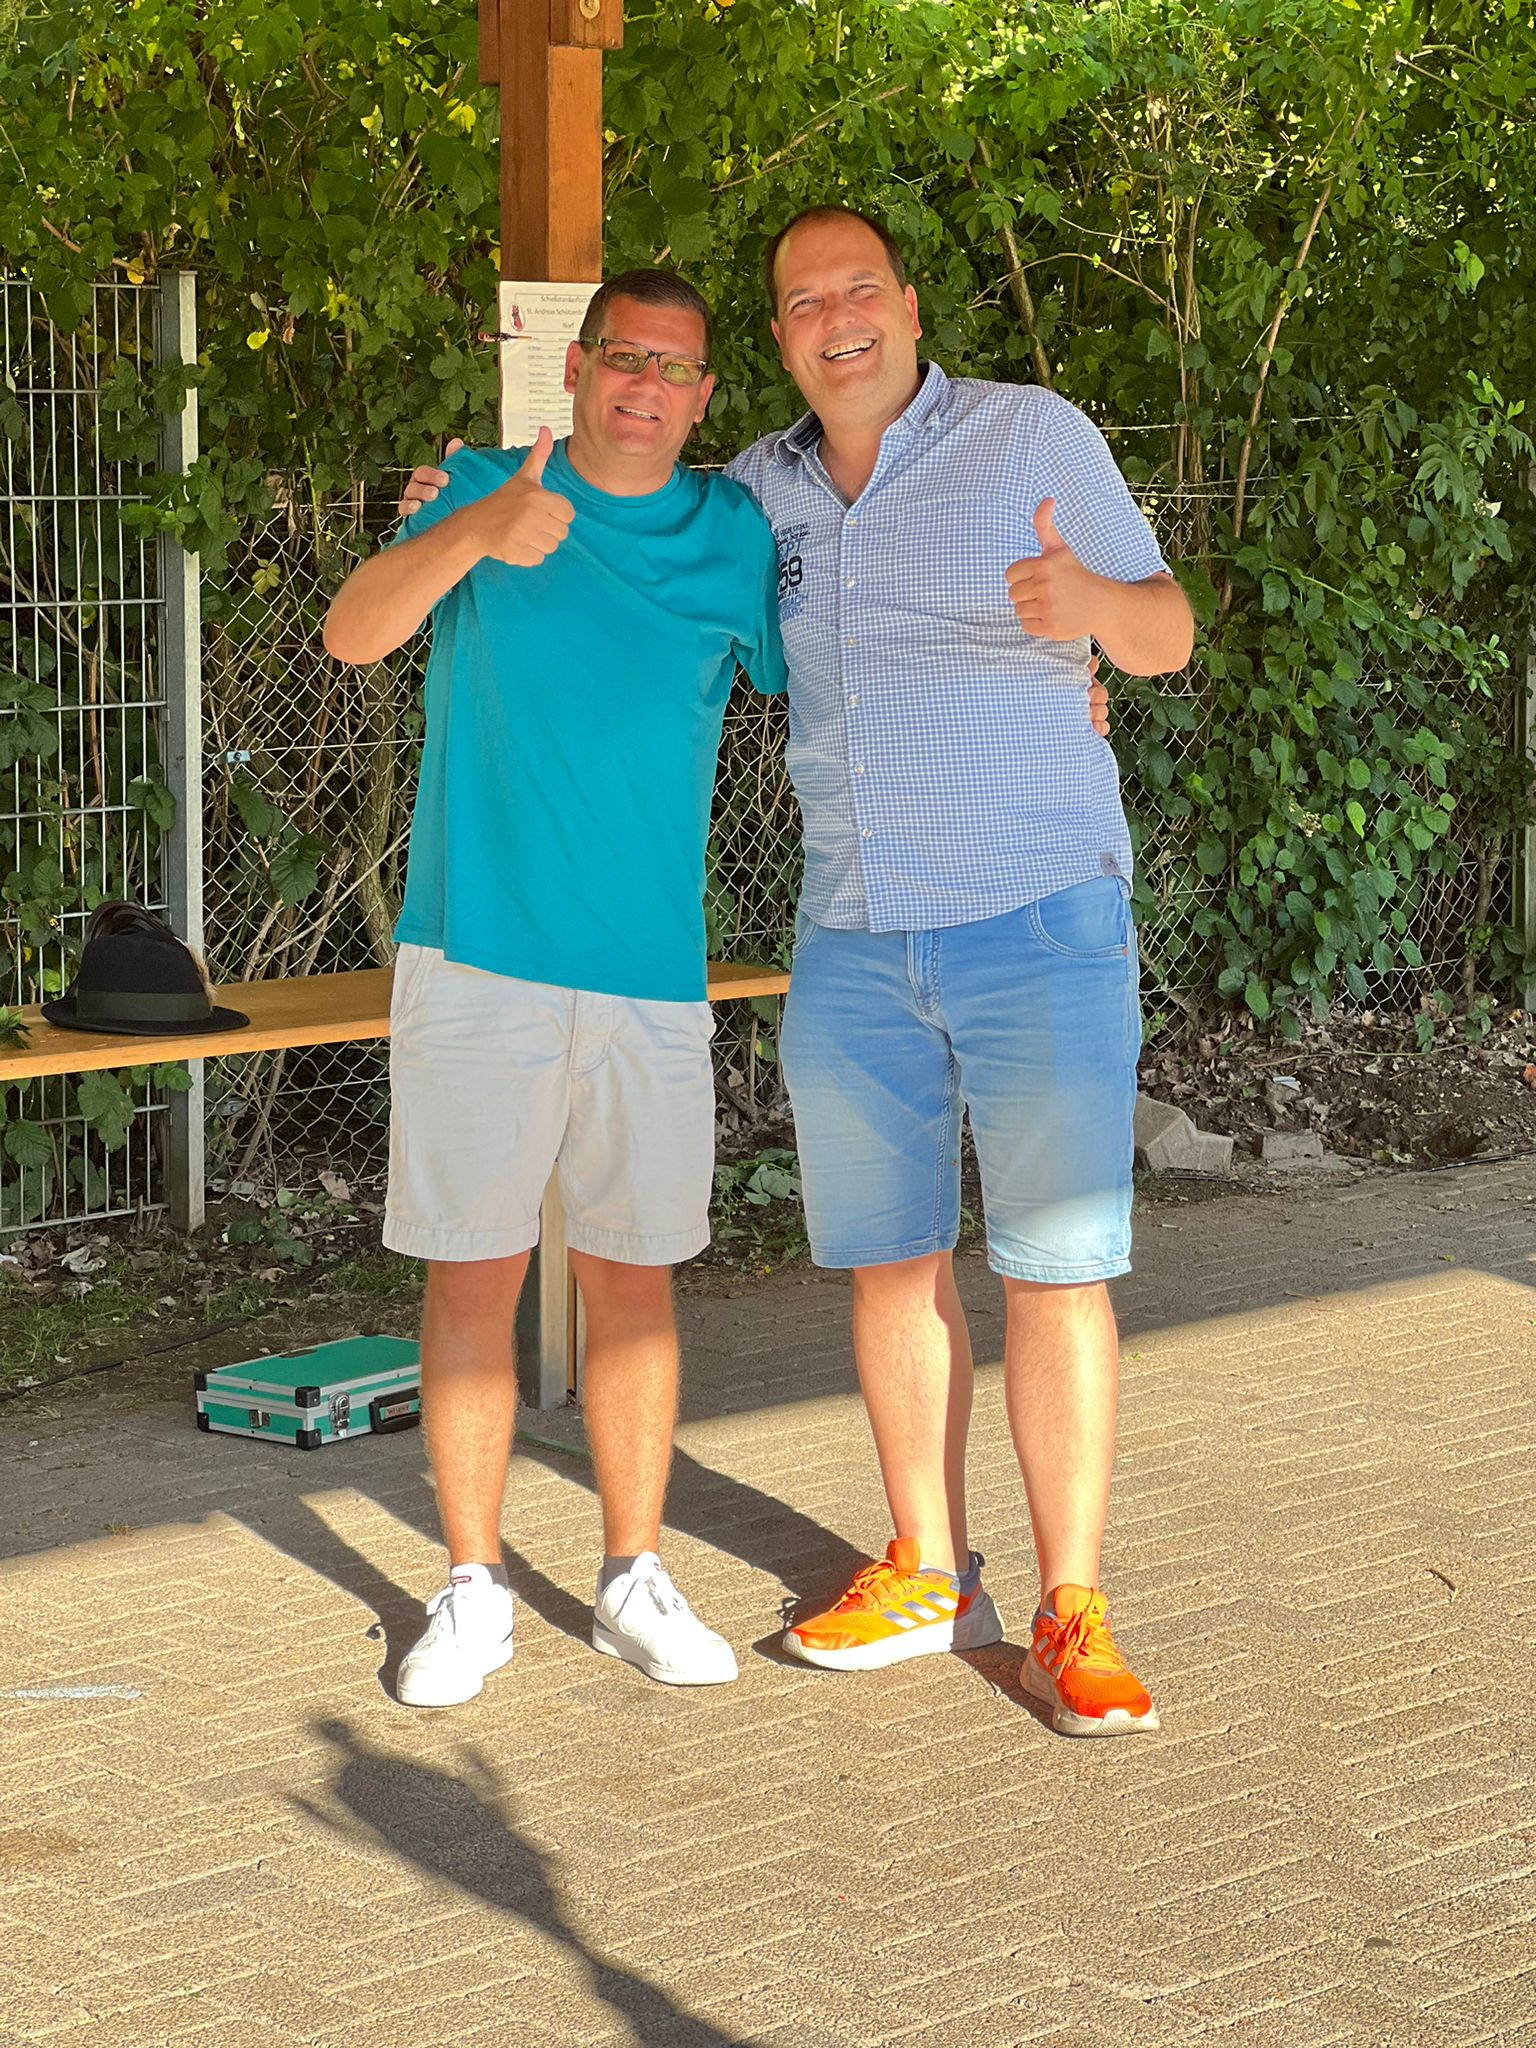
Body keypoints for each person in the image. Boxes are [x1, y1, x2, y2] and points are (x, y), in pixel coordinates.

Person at [723, 206, 1194, 1736]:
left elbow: (1168, 634)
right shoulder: (758, 494)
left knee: (1054, 1266)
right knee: (890, 1260)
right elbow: (614, 554)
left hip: (1035, 917)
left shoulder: (1027, 433)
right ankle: (929, 1570)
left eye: (859, 288)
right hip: (853, 935)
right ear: (781, 337)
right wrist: (458, 498)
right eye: (805, 302)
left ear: (911, 308)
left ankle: (1073, 1611)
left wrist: (1095, 612)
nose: (836, 318)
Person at [323, 268, 787, 1707]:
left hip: (649, 973)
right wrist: (474, 527)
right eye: (626, 357)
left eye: (677, 368)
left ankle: (630, 1576)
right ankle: (471, 1590)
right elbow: (353, 633)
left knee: (634, 1278)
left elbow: (833, 678)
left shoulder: (734, 533)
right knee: (473, 1271)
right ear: (576, 369)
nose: (648, 386)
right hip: (478, 954)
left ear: (703, 398)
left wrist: (1060, 681)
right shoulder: (482, 484)